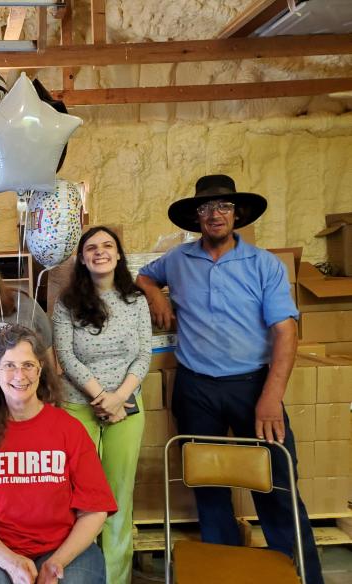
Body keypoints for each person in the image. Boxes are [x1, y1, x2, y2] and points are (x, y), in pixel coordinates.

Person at [136, 174, 323, 584]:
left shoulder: (263, 264)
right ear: (195, 216)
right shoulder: (177, 260)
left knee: (276, 486)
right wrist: (156, 294)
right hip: (196, 386)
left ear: (237, 214)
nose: (214, 214)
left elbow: (285, 331)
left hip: (254, 385)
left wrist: (271, 396)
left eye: (223, 206)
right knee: (210, 486)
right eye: (205, 207)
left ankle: (303, 577)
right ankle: (221, 574)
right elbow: (144, 277)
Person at [0, 325, 118, 584]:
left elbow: (94, 511)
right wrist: (9, 561)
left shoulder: (69, 429)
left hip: (60, 545)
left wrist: (58, 561)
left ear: (40, 369)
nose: (20, 374)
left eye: (28, 365)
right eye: (9, 366)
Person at [52, 226, 152, 584]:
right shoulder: (67, 303)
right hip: (78, 407)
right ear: (82, 257)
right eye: (91, 248)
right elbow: (65, 355)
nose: (100, 252)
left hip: (126, 408)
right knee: (77, 498)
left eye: (107, 246)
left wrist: (119, 397)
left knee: (118, 496)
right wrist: (100, 397)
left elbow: (144, 354)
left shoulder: (136, 300)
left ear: (119, 254)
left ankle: (115, 577)